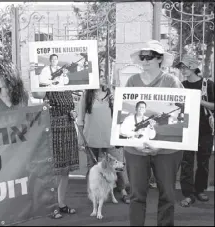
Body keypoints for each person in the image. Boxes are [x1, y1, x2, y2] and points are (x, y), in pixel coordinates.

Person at [123, 40, 184, 226]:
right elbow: (123, 113)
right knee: (136, 196)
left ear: (160, 59)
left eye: (149, 56)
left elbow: (183, 114)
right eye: (142, 56)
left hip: (167, 150)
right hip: (135, 149)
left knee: (167, 194)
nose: (145, 60)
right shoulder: (131, 81)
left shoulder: (172, 82)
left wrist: (159, 144)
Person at [77, 68, 130, 204]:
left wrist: (121, 135)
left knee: (117, 166)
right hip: (91, 138)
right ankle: (93, 192)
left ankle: (122, 190)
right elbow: (80, 119)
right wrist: (81, 139)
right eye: (97, 76)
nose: (100, 78)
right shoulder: (86, 95)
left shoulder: (112, 94)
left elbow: (121, 116)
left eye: (102, 75)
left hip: (110, 138)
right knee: (92, 168)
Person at [32, 89, 79, 219]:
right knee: (54, 171)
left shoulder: (68, 88)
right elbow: (36, 93)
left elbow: (71, 107)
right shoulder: (48, 87)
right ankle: (51, 207)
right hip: (53, 130)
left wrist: (74, 113)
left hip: (68, 129)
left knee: (65, 170)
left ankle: (61, 204)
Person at [175, 54, 214, 207]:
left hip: (205, 129)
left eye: (185, 67)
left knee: (203, 161)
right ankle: (188, 194)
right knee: (186, 162)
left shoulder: (208, 84)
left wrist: (199, 100)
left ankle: (200, 190)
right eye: (181, 67)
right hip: (187, 127)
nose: (183, 70)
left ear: (193, 67)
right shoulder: (181, 85)